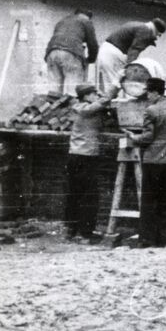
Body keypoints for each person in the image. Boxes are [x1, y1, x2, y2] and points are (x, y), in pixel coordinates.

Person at [126, 78, 166, 247]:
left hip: (153, 161)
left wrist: (134, 138)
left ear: (155, 92)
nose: (147, 96)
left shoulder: (151, 111)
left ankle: (147, 239)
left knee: (149, 201)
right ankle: (163, 239)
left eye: (148, 92)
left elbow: (147, 137)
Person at [64, 84, 111, 241]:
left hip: (74, 155)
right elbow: (103, 102)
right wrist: (114, 87)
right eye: (93, 93)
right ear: (85, 96)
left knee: (74, 192)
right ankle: (86, 232)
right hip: (86, 157)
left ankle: (71, 229)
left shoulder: (78, 108)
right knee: (89, 194)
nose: (96, 95)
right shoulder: (85, 109)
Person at [97, 18, 166, 93]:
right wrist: (131, 68)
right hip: (113, 55)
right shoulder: (145, 30)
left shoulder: (139, 25)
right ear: (156, 30)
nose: (157, 37)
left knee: (111, 83)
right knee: (115, 83)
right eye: (158, 35)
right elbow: (134, 51)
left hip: (107, 52)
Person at [45, 9, 99, 95]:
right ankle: (73, 108)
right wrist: (91, 59)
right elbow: (92, 43)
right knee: (73, 89)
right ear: (88, 16)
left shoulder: (62, 21)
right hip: (71, 53)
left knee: (54, 90)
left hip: (52, 52)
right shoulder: (85, 20)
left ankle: (52, 106)